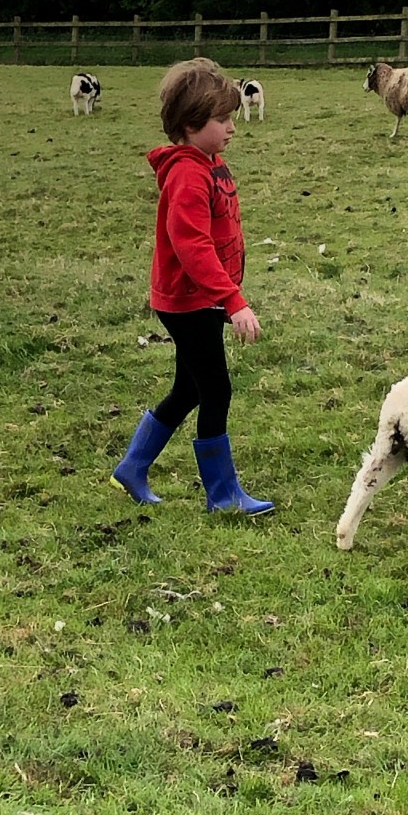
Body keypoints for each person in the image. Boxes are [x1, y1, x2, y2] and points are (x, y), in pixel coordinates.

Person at [110, 58, 273, 515]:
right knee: (216, 389)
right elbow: (193, 246)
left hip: (203, 298)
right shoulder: (187, 174)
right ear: (190, 124)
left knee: (189, 388)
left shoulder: (210, 163)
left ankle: (132, 467)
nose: (231, 127)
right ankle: (223, 495)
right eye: (222, 119)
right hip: (189, 302)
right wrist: (233, 300)